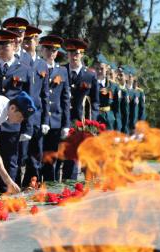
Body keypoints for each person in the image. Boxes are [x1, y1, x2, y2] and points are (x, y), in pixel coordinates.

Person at [0, 29, 33, 193]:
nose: (2, 49)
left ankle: (6, 195)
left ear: (14, 45)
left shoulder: (24, 69)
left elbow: (29, 100)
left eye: (6, 45)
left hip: (12, 125)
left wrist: (27, 127)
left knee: (10, 160)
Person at [62, 38, 99, 180]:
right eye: (71, 53)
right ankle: (62, 186)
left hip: (80, 121)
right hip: (63, 120)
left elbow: (95, 101)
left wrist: (92, 123)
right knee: (62, 155)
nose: (74, 56)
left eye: (77, 53)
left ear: (82, 54)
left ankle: (74, 185)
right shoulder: (62, 70)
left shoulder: (90, 75)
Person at [17, 27, 50, 186]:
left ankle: (31, 184)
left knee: (35, 154)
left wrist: (45, 120)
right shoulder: (20, 61)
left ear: (37, 42)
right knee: (20, 155)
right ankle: (16, 186)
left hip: (37, 116)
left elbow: (45, 95)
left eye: (31, 40)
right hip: (22, 115)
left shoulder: (43, 64)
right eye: (26, 40)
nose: (28, 43)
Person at [39, 35, 71, 182]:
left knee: (51, 155)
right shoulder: (37, 66)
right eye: (47, 49)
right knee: (37, 154)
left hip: (56, 120)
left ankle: (50, 184)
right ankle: (35, 184)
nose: (50, 53)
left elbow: (65, 99)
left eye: (53, 50)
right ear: (42, 50)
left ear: (57, 52)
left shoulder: (63, 71)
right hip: (39, 118)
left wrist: (66, 124)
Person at [95, 53, 115, 130]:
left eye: (102, 68)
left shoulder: (112, 86)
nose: (99, 71)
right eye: (97, 68)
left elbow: (117, 107)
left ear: (106, 69)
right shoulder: (91, 84)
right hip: (95, 118)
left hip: (109, 119)